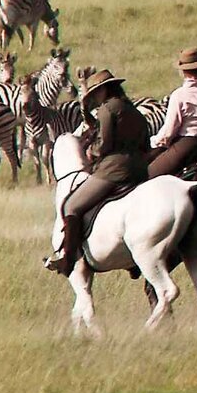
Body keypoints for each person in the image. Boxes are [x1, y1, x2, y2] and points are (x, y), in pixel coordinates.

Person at [44, 69, 151, 275]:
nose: (94, 97)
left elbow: (103, 145)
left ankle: (68, 258)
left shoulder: (107, 110)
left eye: (95, 93)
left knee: (71, 205)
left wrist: (91, 152)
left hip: (114, 170)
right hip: (140, 170)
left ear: (102, 90)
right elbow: (146, 144)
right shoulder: (134, 110)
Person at [146, 47, 197, 178]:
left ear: (183, 71)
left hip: (188, 147)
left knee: (147, 176)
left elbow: (168, 133)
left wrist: (153, 142)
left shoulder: (179, 95)